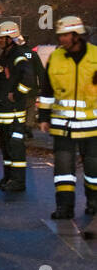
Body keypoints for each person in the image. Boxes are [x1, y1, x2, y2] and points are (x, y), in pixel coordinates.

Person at [37, 16, 97, 220]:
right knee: (63, 170)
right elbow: (46, 90)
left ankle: (94, 202)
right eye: (60, 35)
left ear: (77, 35)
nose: (61, 39)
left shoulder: (96, 55)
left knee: (93, 169)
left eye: (65, 35)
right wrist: (44, 116)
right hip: (63, 126)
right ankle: (64, 207)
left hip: (92, 126)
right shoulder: (55, 57)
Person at [0, 21, 35, 193]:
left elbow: (28, 79)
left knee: (15, 147)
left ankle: (18, 181)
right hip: (4, 111)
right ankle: (8, 177)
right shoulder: (6, 56)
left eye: (1, 38)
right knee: (6, 146)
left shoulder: (18, 55)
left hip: (13, 112)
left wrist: (17, 94)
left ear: (10, 38)